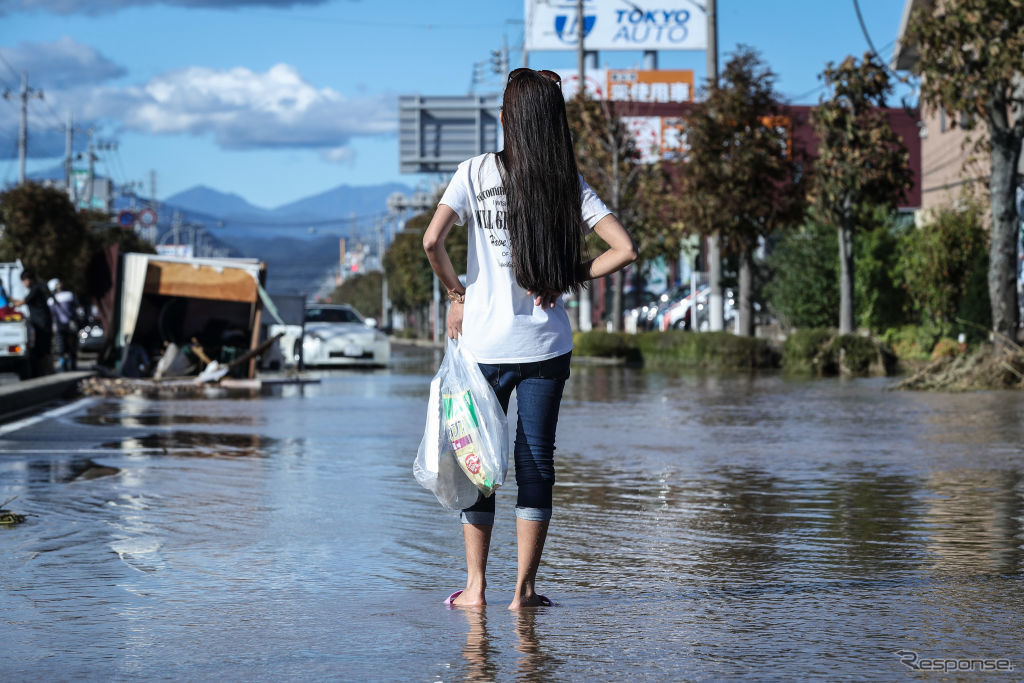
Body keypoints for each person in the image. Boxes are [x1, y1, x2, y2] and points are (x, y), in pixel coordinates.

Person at [423, 67, 637, 609]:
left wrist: (457, 296)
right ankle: (524, 592)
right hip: (546, 348)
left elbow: (432, 241)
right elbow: (624, 249)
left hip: (483, 347)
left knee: (480, 465)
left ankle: (476, 589)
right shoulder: (566, 181)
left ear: (505, 120)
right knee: (536, 462)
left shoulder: (473, 173)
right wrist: (570, 275)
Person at [12, 269, 53, 377]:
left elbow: (22, 302)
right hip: (42, 323)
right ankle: (46, 371)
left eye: (23, 281)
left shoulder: (35, 289)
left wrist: (9, 300)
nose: (23, 284)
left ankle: (47, 372)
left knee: (43, 349)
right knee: (42, 348)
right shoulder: (38, 287)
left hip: (42, 324)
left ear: (28, 279)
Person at [47, 278, 81, 372]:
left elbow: (52, 315)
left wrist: (53, 325)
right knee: (72, 345)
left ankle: (64, 365)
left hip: (59, 326)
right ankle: (72, 364)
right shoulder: (70, 295)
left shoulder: (50, 300)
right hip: (71, 324)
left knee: (61, 346)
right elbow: (78, 309)